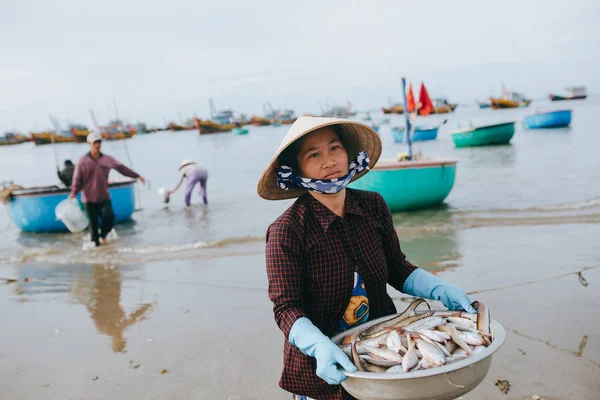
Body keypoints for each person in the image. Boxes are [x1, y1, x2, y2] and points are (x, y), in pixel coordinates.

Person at [258, 117, 475, 400]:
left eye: (335, 148)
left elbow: (396, 268)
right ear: (296, 169)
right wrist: (318, 346)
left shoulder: (373, 205)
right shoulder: (286, 231)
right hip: (320, 370)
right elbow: (286, 307)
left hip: (385, 351)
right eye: (314, 154)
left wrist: (439, 288)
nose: (329, 161)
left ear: (348, 153)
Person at [69, 132, 146, 247]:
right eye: (95, 143)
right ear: (89, 144)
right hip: (89, 198)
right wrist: (74, 192)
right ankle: (97, 253)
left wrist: (137, 175)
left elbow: (121, 168)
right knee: (93, 226)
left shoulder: (107, 159)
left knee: (110, 217)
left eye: (99, 142)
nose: (97, 145)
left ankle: (103, 235)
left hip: (103, 196)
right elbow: (77, 178)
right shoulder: (83, 161)